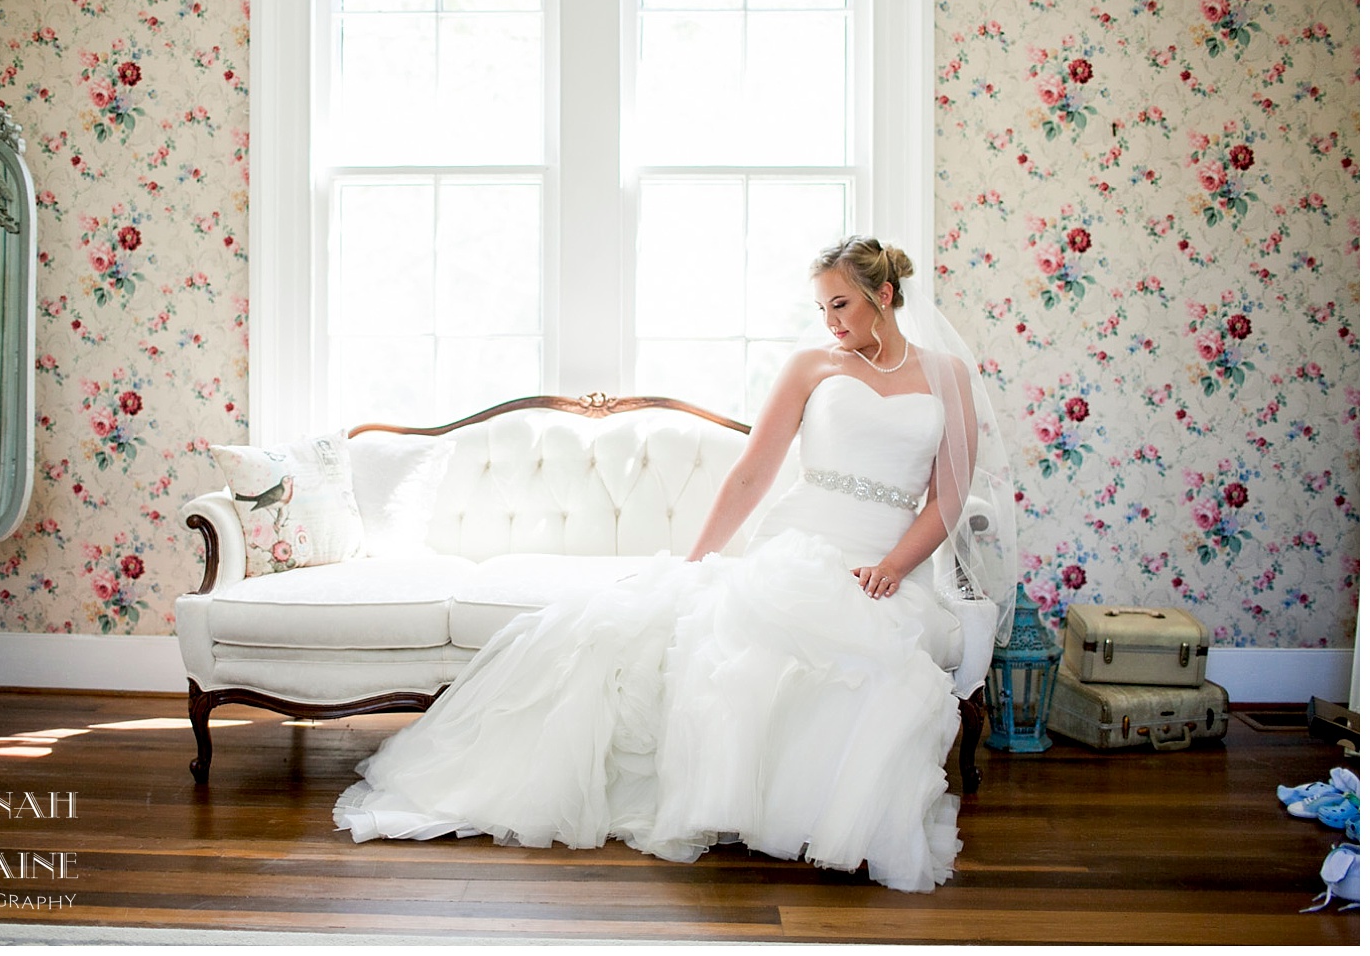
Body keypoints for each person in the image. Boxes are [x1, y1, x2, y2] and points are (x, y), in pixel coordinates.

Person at [334, 235, 1016, 893]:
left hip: (886, 559)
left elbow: (949, 495)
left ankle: (825, 816)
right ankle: (731, 802)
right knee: (733, 643)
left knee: (868, 666)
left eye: (841, 304)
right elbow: (752, 476)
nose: (830, 321)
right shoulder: (813, 368)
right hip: (804, 544)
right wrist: (699, 560)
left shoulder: (947, 376)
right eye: (821, 308)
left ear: (885, 295)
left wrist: (895, 567)